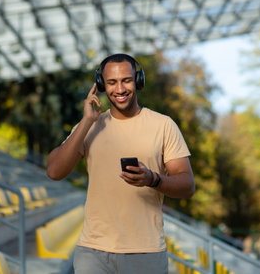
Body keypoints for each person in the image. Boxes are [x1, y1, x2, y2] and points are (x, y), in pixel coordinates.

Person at [47, 53, 195, 274]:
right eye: (112, 82)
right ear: (101, 85)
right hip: (93, 251)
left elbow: (187, 185)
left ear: (138, 80)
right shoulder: (89, 125)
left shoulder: (163, 125)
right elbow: (54, 171)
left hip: (146, 252)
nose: (120, 89)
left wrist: (152, 179)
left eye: (126, 80)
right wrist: (87, 121)